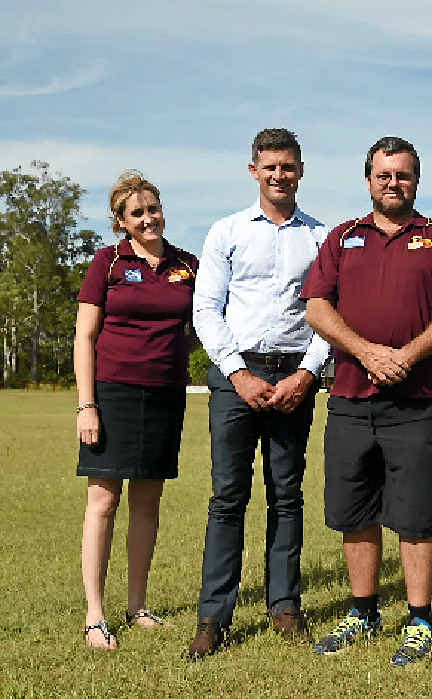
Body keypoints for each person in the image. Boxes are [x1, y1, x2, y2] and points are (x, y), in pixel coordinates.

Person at [302, 136, 432, 666]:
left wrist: (406, 356)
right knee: (354, 511)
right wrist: (365, 352)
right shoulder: (342, 238)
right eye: (384, 174)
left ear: (416, 180)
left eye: (402, 174)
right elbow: (316, 306)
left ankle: (420, 621)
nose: (393, 183)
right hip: (350, 399)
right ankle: (363, 612)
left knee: (416, 516)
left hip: (415, 403)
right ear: (368, 180)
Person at [186, 128, 330, 659]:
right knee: (228, 497)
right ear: (254, 170)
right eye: (270, 166)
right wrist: (237, 373)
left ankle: (285, 607)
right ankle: (213, 618)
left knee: (286, 496)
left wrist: (308, 373)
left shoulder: (320, 237)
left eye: (288, 166)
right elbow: (206, 308)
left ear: (301, 170)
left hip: (294, 375)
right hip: (235, 376)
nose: (279, 175)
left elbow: (329, 311)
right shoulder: (226, 232)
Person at [75, 171, 198, 650]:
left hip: (166, 396)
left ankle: (137, 606)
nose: (149, 219)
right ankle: (95, 616)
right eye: (137, 213)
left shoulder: (187, 265)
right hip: (112, 395)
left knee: (147, 503)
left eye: (153, 209)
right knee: (103, 502)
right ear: (122, 222)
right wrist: (87, 405)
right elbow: (85, 336)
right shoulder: (107, 263)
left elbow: (202, 323)